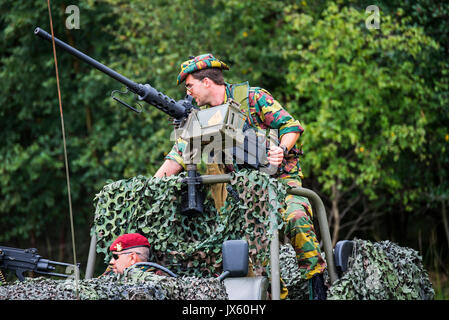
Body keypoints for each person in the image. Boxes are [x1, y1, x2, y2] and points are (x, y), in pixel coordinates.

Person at [154, 54, 327, 299]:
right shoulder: (200, 119)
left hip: (281, 183)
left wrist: (281, 150)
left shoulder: (252, 98)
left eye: (190, 85)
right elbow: (178, 156)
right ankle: (276, 295)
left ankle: (316, 286)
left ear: (206, 82)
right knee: (251, 245)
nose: (188, 92)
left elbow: (290, 127)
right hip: (245, 195)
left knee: (296, 217)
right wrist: (151, 185)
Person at [103, 233, 169, 277]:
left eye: (115, 257)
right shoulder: (111, 274)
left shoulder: (153, 282)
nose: (111, 262)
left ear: (132, 258)